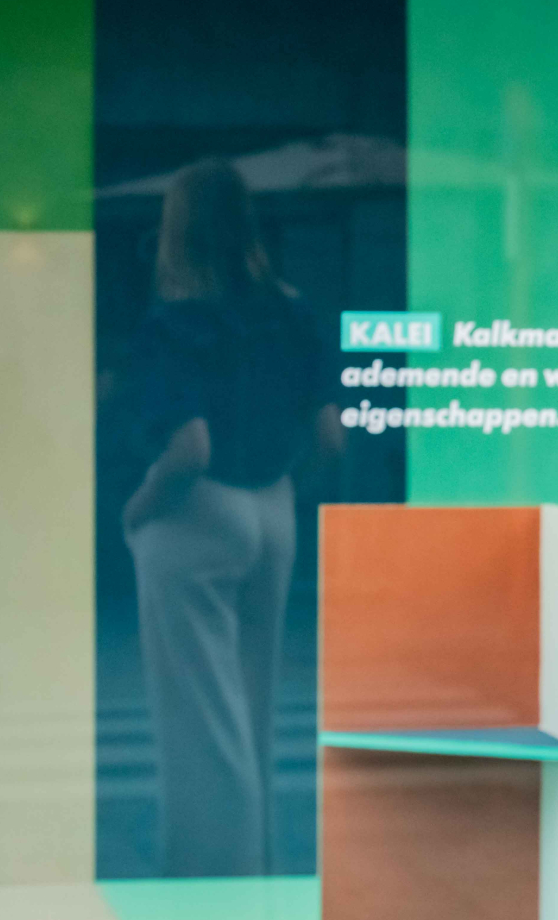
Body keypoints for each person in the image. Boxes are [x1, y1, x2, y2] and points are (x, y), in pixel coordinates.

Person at [119, 158, 340, 875]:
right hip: (273, 505)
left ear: (177, 229)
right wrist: (282, 491)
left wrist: (139, 507)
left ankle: (212, 880)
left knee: (201, 723)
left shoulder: (174, 320)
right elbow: (329, 436)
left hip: (196, 510)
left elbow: (189, 447)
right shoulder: (292, 308)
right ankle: (259, 876)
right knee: (252, 707)